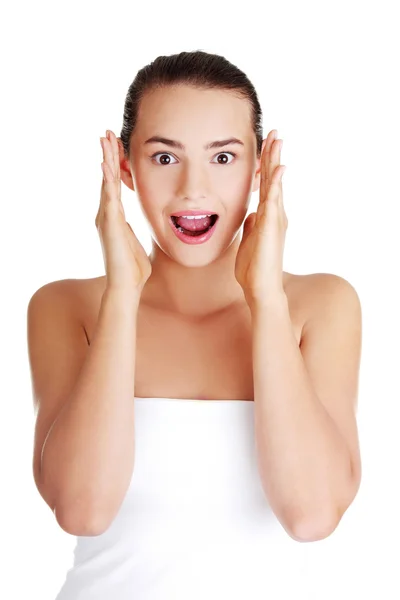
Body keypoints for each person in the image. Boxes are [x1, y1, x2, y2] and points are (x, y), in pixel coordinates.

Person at [27, 50, 363, 599]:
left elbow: (312, 515)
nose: (192, 189)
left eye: (224, 158)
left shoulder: (320, 305)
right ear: (125, 168)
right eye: (165, 158)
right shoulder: (67, 307)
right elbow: (83, 510)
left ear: (260, 169)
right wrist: (121, 296)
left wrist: (266, 300)